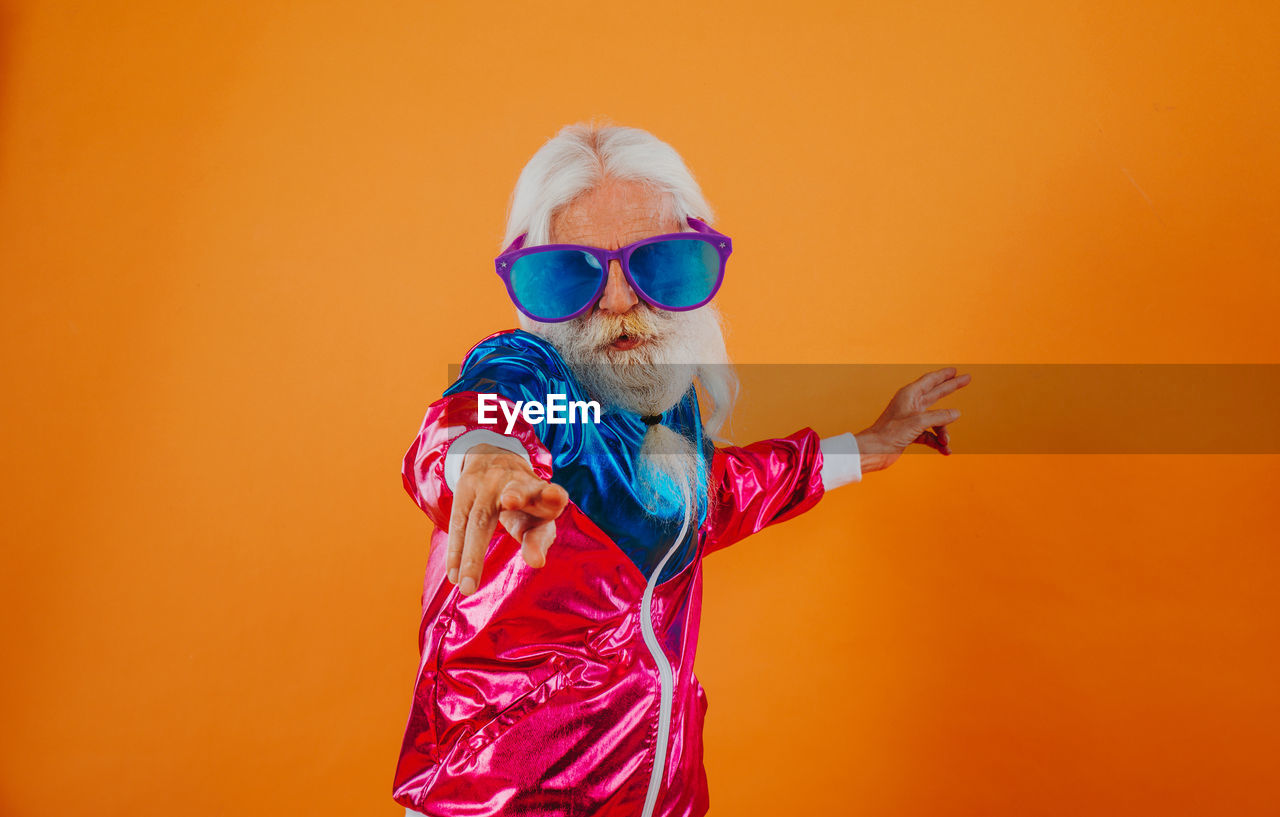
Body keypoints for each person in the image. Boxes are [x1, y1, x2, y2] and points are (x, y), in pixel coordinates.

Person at [393, 123, 969, 817]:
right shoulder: (540, 378)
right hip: (498, 802)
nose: (615, 303)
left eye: (653, 265)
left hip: (661, 793)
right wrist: (483, 455)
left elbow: (707, 499)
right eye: (575, 272)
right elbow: (483, 407)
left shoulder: (663, 397)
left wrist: (866, 445)